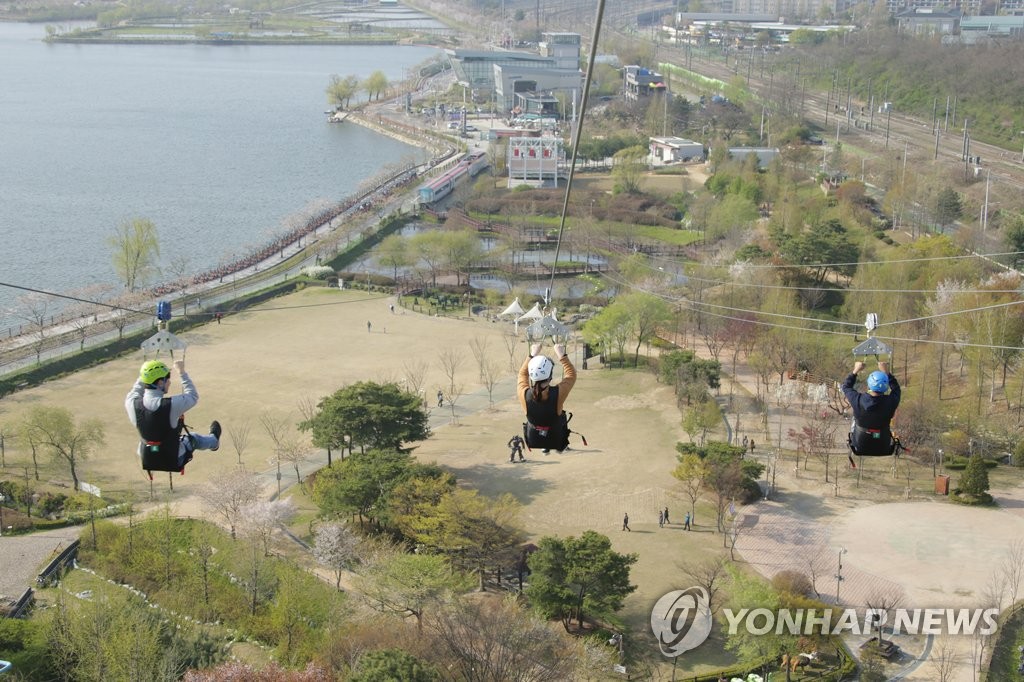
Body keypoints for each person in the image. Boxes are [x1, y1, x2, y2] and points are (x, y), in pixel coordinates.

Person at [126, 359, 221, 474]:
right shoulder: (170, 405)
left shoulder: (131, 402)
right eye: (168, 379)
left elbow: (137, 389)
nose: (169, 382)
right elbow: (192, 396)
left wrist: (146, 373)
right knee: (193, 438)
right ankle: (214, 442)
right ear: (160, 383)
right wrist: (181, 372)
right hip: (173, 458)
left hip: (147, 457)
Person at [518, 342, 576, 454]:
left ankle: (545, 448)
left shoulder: (524, 394)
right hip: (556, 438)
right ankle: (555, 448)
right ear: (550, 376)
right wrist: (562, 356)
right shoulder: (558, 393)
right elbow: (571, 375)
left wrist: (532, 355)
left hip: (534, 438)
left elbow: (522, 374)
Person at [842, 359, 901, 457]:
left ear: (869, 385)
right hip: (883, 446)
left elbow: (846, 387)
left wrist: (855, 370)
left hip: (859, 444)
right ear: (886, 387)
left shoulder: (858, 400)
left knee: (855, 419)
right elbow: (896, 389)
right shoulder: (891, 402)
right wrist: (886, 373)